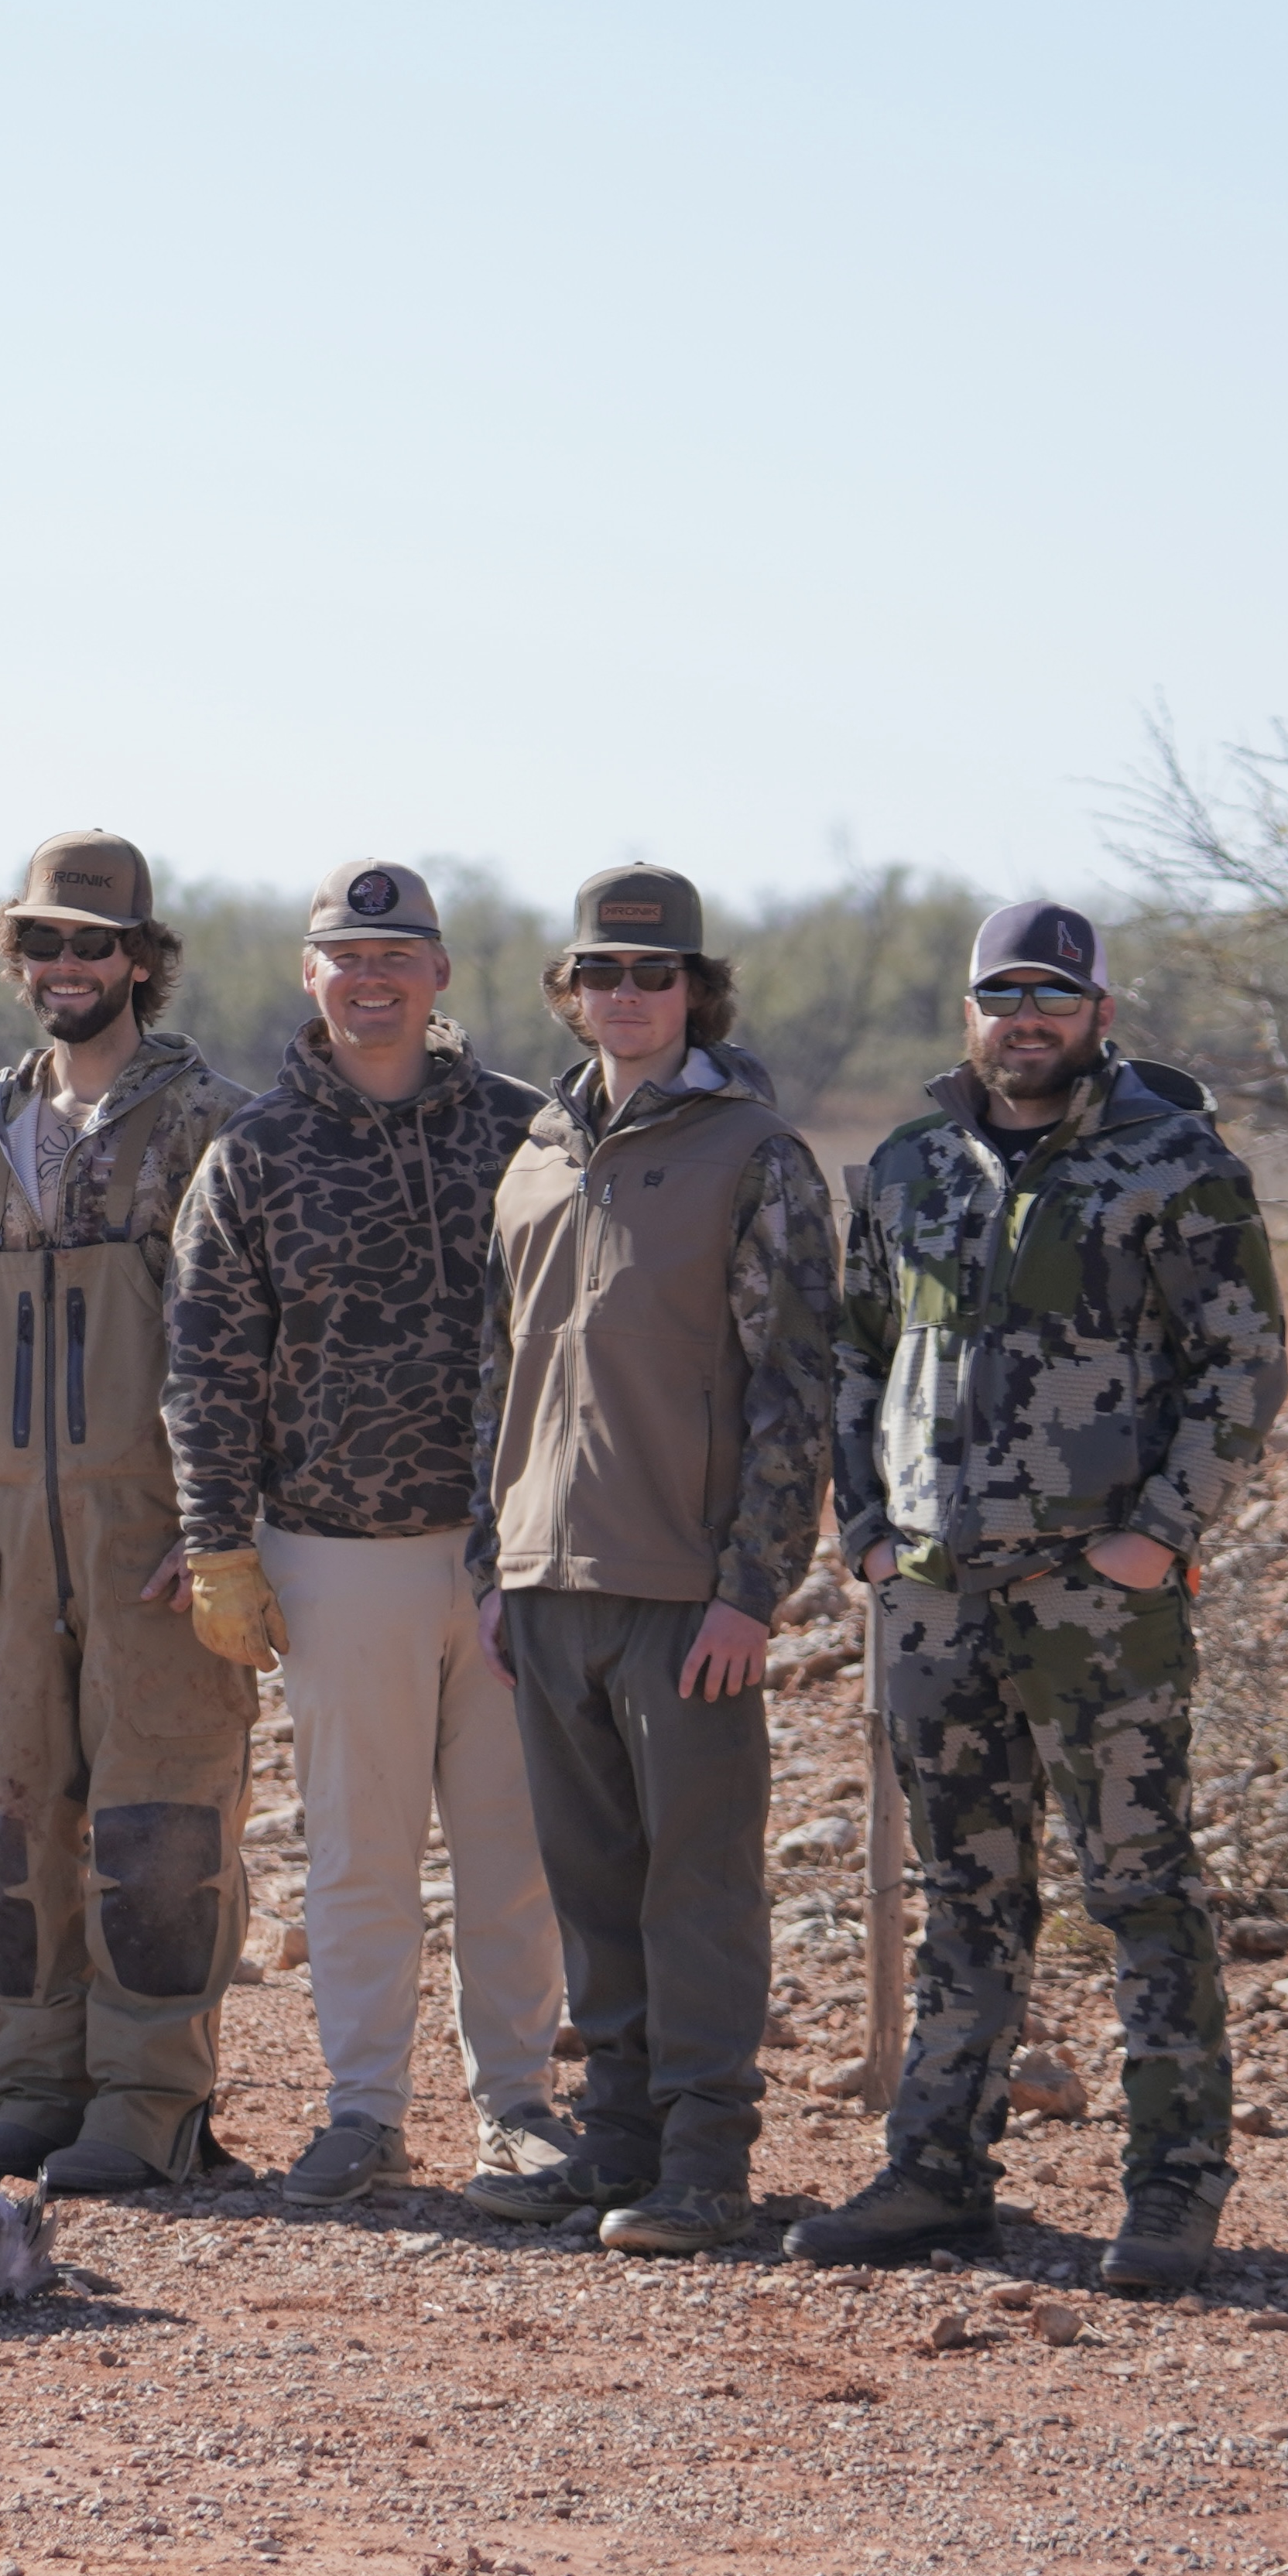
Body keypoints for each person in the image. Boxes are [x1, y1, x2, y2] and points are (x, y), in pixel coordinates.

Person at [793, 901, 1285, 2294]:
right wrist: (868, 1533)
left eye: (1053, 997)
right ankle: (937, 2175)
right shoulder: (908, 1165)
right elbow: (858, 1354)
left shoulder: (1176, 1164)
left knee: (1141, 1889)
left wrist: (1160, 1537)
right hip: (935, 1593)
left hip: (1097, 1593)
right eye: (1003, 995)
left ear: (1099, 1015)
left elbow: (1241, 1367)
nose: (1026, 1019)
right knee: (967, 1893)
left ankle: (1174, 2186)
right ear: (971, 1013)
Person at [163, 859, 568, 2206]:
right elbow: (207, 1364)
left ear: (440, 972)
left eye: (397, 957)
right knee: (357, 1855)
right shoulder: (258, 1150)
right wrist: (218, 1545)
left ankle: (521, 2110)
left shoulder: (527, 1131)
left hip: (512, 1554)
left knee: (512, 1855)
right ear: (311, 973)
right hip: (336, 1555)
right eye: (348, 956)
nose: (373, 979)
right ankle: (364, 2113)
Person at [467, 865, 838, 2252]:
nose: (624, 995)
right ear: (570, 993)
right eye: (600, 974)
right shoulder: (536, 1151)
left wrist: (752, 1590)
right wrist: (494, 1564)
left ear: (696, 990)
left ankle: (704, 2162)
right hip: (545, 1580)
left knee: (698, 1886)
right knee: (590, 1882)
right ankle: (615, 2142)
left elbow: (796, 1384)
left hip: (686, 1592)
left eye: (652, 973)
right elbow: (498, 1374)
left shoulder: (756, 1154)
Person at [0, 832, 261, 2192]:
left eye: (92, 945)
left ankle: (151, 2100)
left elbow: (257, 1342)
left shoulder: (212, 1123)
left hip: (151, 1535)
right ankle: (36, 2084)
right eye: (43, 942)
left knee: (161, 1830)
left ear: (139, 961)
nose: (66, 965)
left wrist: (219, 1524)